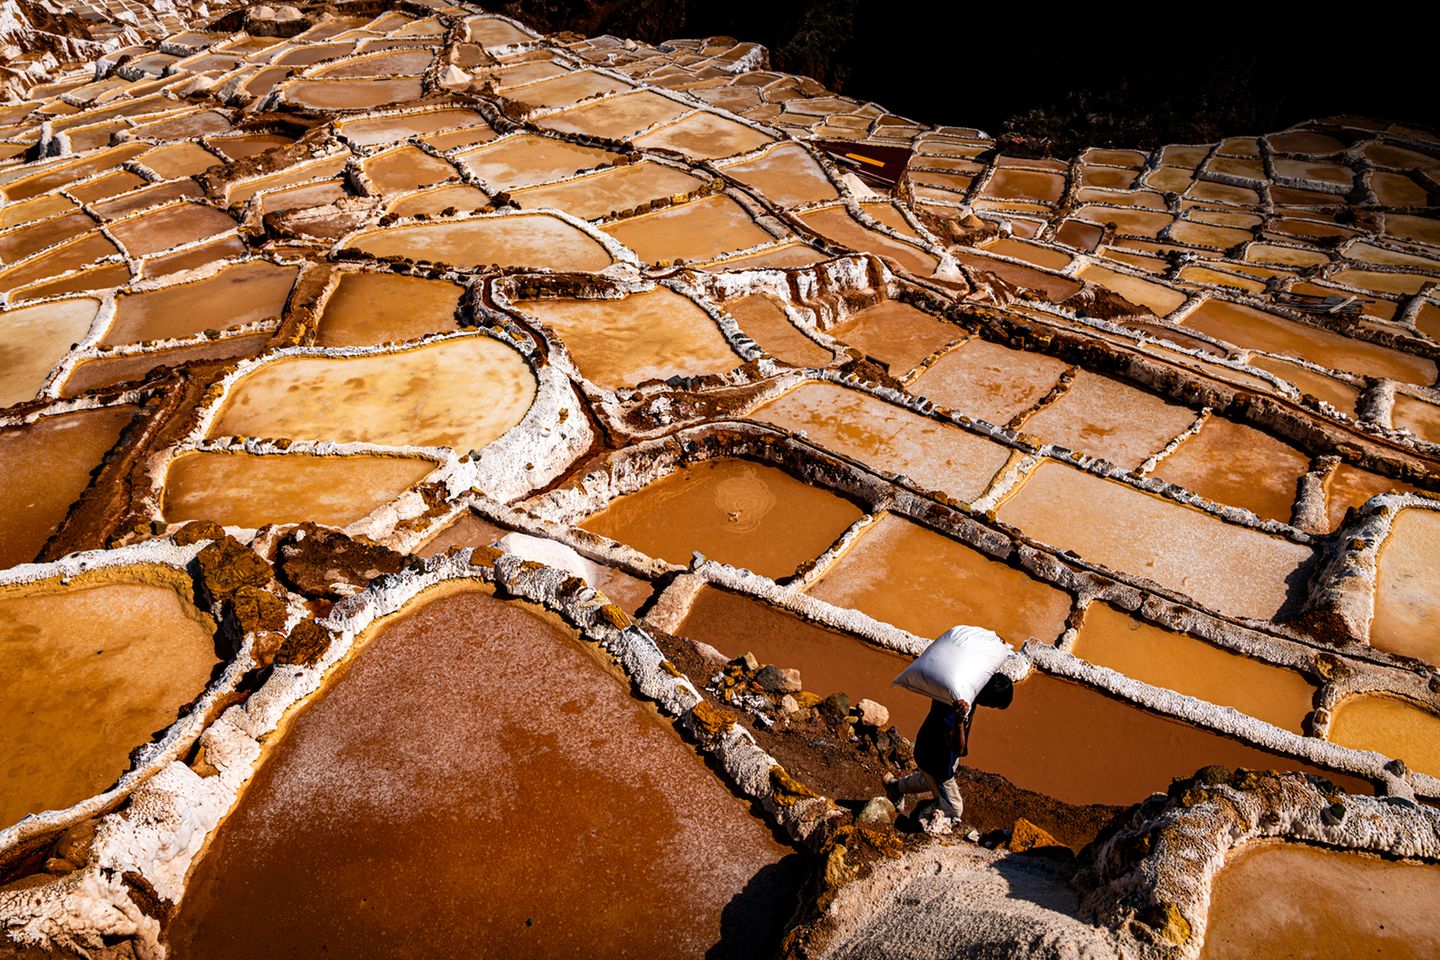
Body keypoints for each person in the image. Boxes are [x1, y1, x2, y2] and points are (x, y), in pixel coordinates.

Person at [884, 697, 970, 822]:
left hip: (933, 753)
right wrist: (959, 721)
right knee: (954, 810)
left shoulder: (954, 694)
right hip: (937, 761)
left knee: (930, 781)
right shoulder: (952, 705)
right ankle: (920, 820)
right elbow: (958, 748)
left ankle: (896, 787)